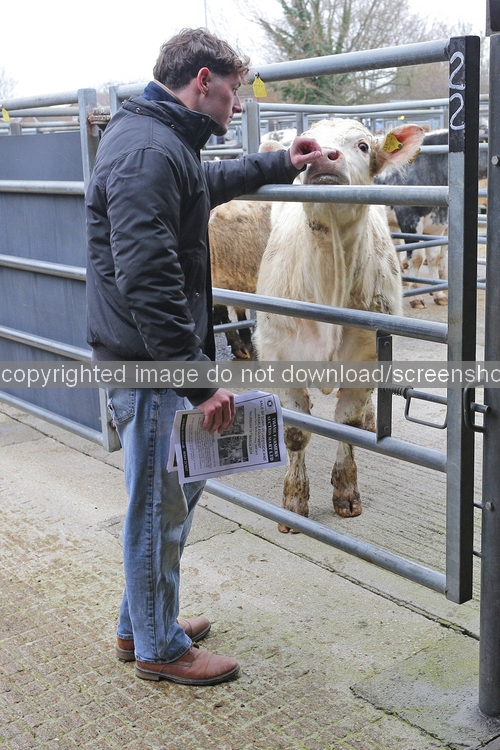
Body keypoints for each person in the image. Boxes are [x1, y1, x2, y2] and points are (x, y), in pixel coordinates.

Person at [85, 27, 321, 686]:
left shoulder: (161, 141)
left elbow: (201, 185)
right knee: (157, 506)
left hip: (155, 359)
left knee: (170, 497)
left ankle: (142, 623)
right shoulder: (148, 151)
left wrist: (279, 163)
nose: (238, 104)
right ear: (203, 81)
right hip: (152, 366)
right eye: (234, 91)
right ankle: (160, 648)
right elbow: (146, 278)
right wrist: (198, 383)